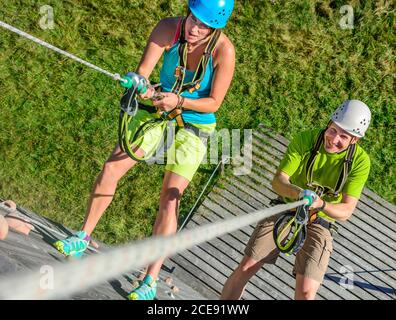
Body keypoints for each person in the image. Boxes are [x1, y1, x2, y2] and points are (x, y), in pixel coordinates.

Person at [54, 0, 235, 300]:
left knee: (170, 198)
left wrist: (178, 102)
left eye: (204, 26)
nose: (195, 28)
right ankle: (82, 237)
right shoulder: (168, 28)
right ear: (188, 12)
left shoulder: (223, 51)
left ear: (216, 28)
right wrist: (141, 85)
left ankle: (149, 280)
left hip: (195, 122)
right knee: (112, 167)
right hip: (159, 108)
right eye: (193, 19)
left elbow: (214, 103)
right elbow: (143, 71)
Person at [221, 100, 371, 300]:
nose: (334, 139)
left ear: (355, 141)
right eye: (333, 130)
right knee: (247, 265)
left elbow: (346, 210)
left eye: (344, 136)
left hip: (320, 220)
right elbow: (278, 181)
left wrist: (321, 204)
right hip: (287, 207)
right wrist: (298, 193)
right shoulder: (306, 139)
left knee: (307, 291)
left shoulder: (359, 162)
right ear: (328, 124)